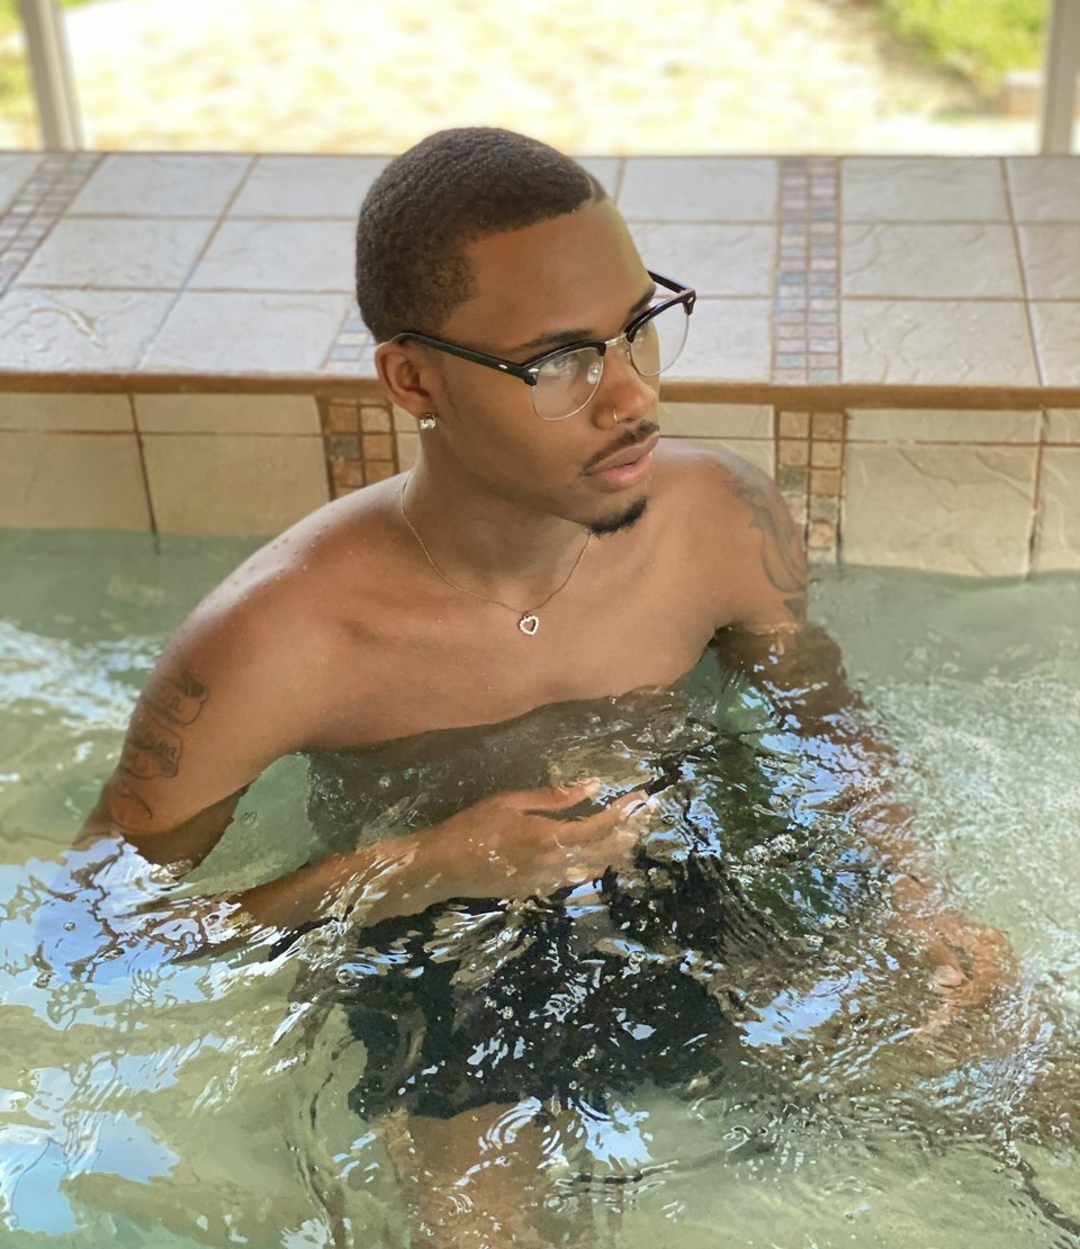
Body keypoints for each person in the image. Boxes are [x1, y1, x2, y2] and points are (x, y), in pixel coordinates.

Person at [78, 127, 1007, 1246]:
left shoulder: (719, 520)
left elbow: (817, 718)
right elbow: (89, 930)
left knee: (1027, 1075)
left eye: (637, 329)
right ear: (412, 378)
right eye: (559, 361)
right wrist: (421, 865)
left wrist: (913, 898)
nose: (632, 397)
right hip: (448, 958)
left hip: (711, 883)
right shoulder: (278, 641)